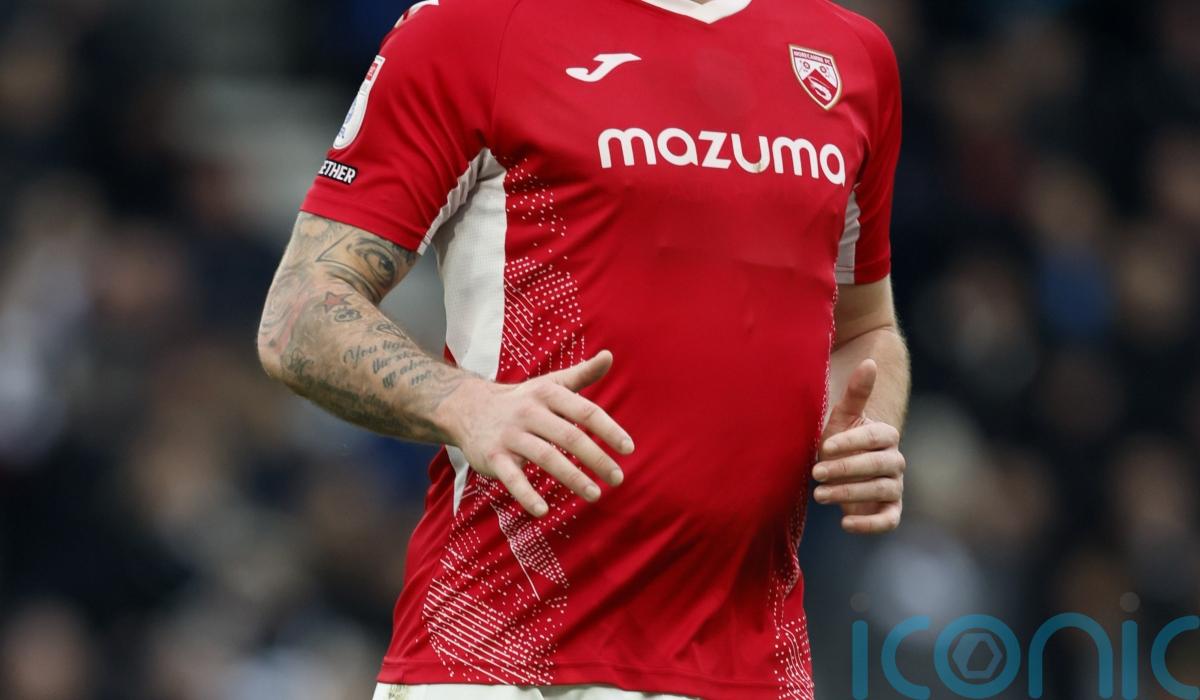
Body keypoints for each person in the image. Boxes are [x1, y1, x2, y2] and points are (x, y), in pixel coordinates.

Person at [257, 0, 910, 696]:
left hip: (749, 668)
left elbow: (865, 329)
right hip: (498, 658)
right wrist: (465, 405)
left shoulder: (851, 54)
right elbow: (299, 312)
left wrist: (865, 429)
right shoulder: (474, 28)